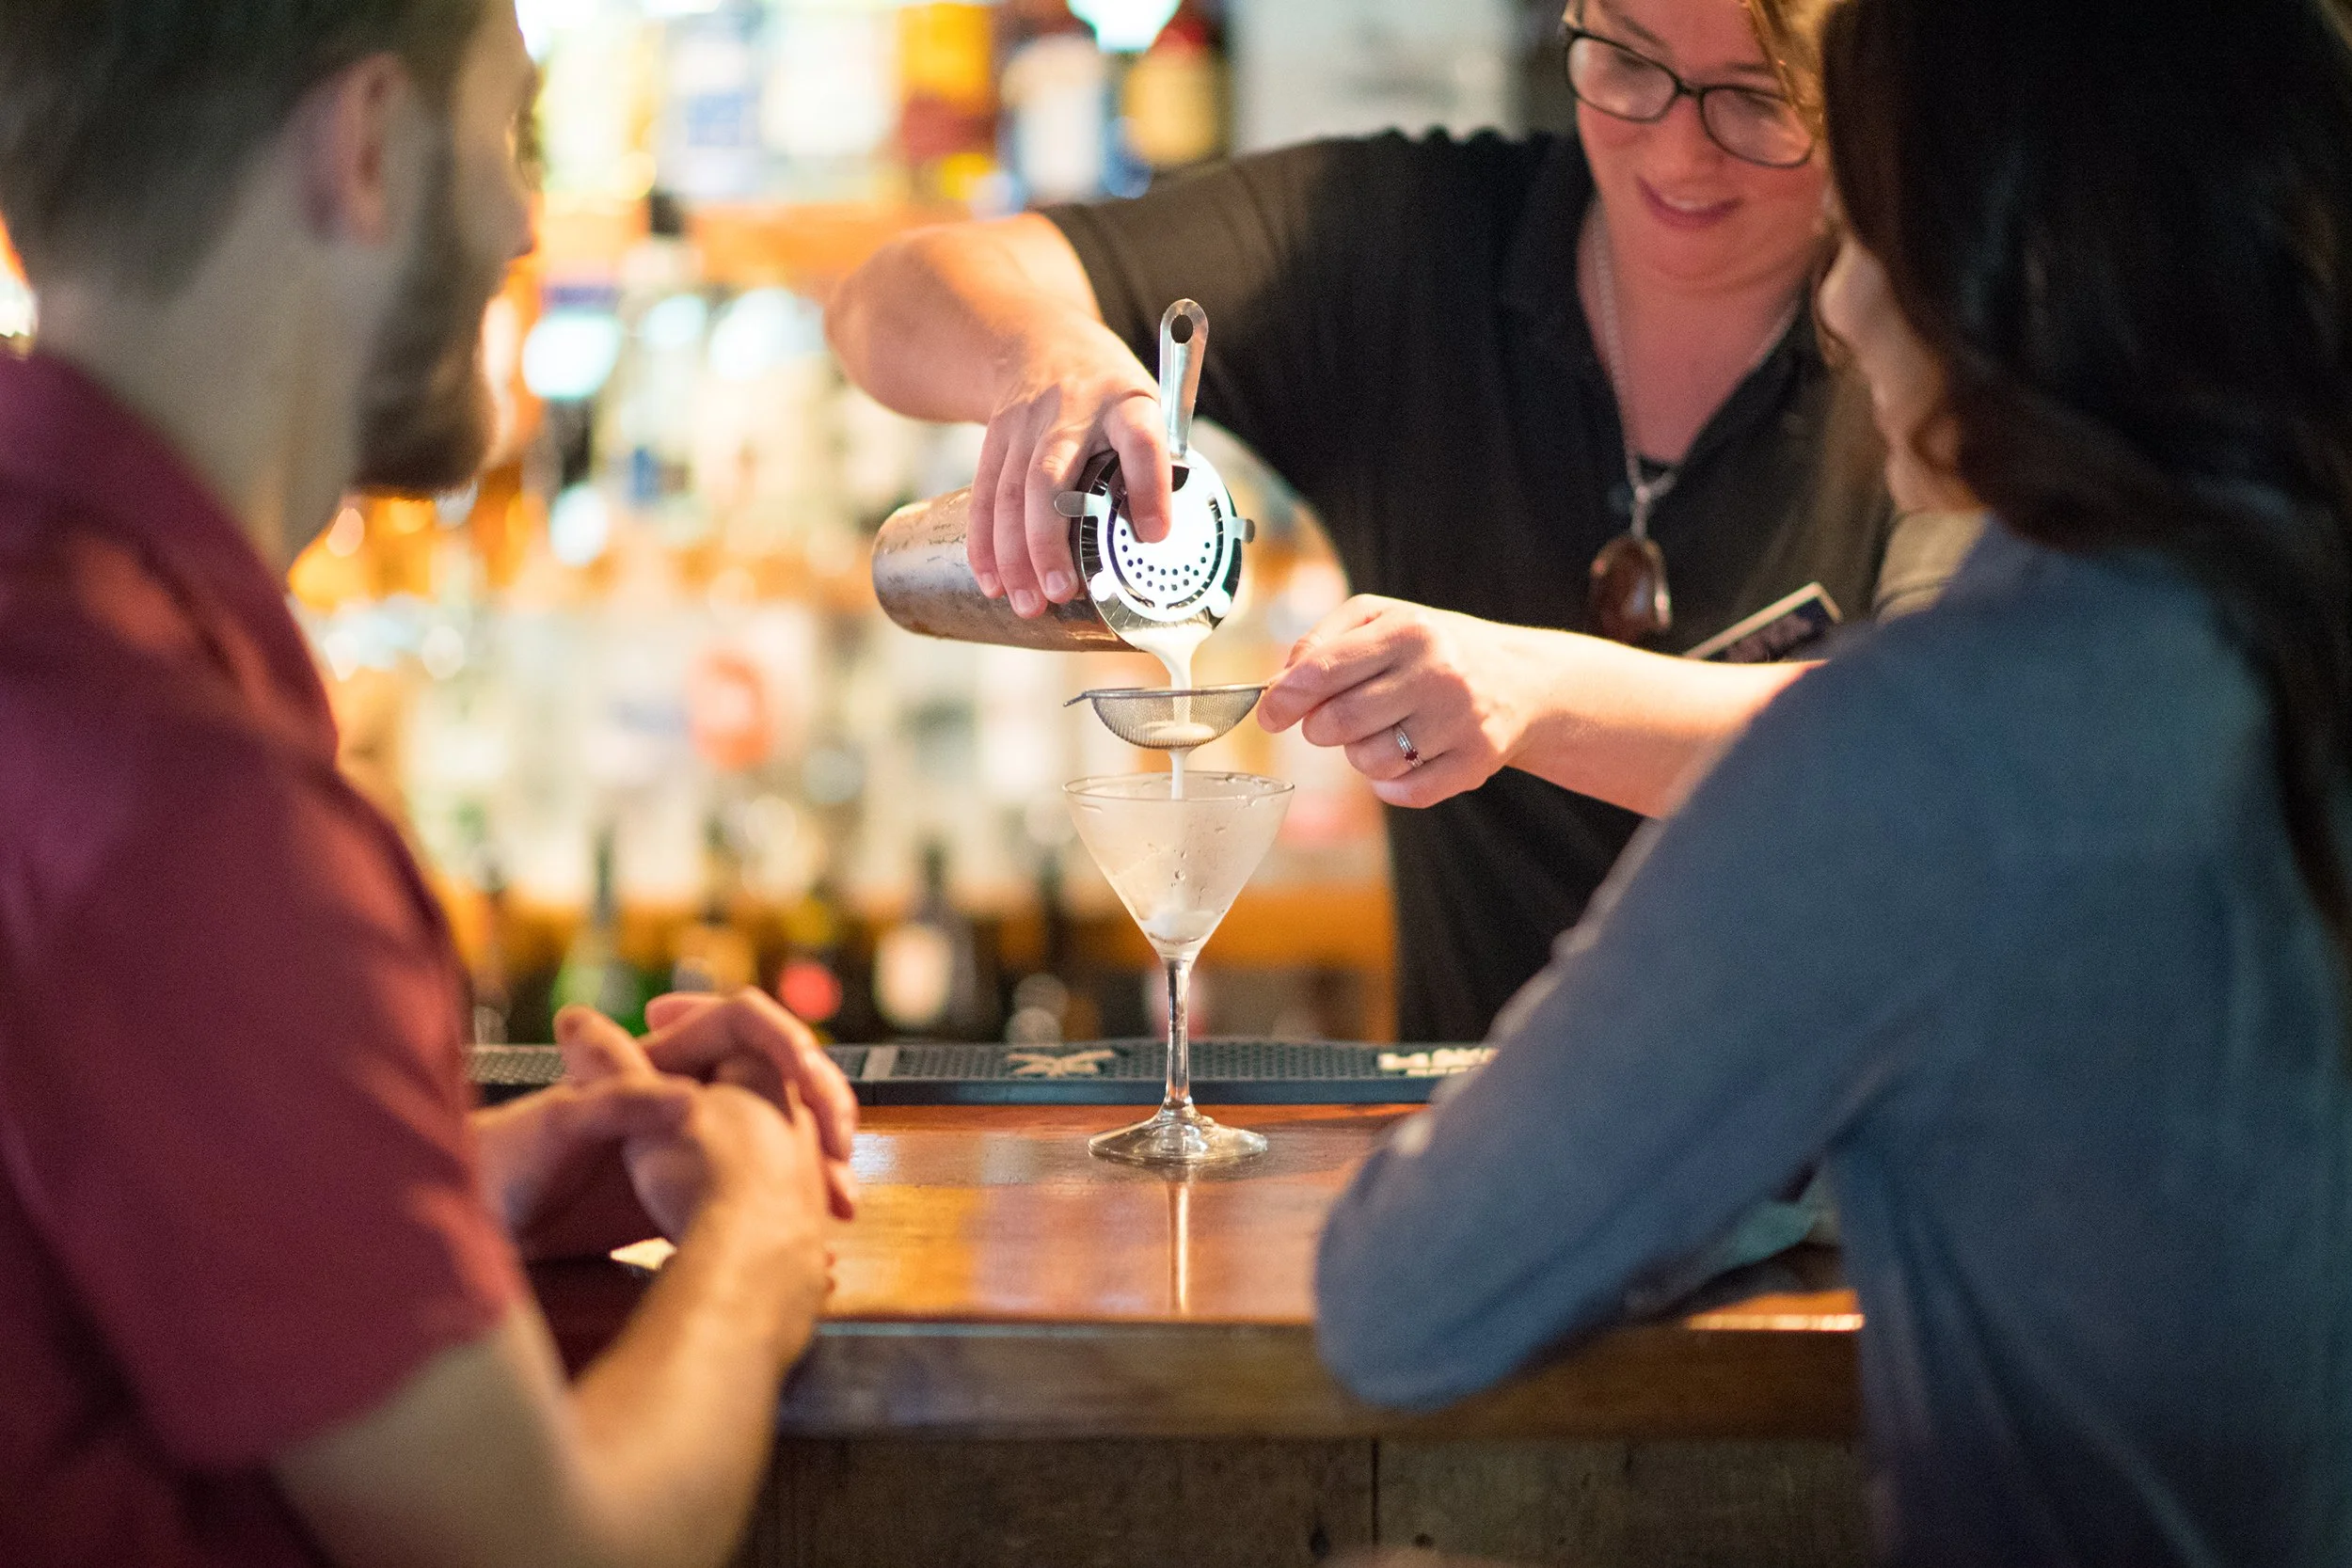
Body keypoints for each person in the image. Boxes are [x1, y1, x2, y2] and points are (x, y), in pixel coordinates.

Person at [1314, 0, 2352, 1560]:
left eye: (1868, 233)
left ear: (2013, 273)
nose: (1843, 311)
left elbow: (1407, 1295)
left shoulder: (1928, 746)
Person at [0, 5, 859, 1566]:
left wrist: (442, 1189)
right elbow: (556, 1552)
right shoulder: (200, 808)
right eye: (508, 137)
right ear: (373, 147)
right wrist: (756, 1242)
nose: (526, 222)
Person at [830, 0, 1977, 1043]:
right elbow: (886, 295)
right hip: (1493, 1152)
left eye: (1758, 98)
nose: (1677, 147)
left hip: (1867, 1153)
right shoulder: (1404, 243)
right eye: (1625, 62)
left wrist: (1534, 694)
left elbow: (1944, 748)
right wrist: (1053, 354)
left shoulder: (1937, 331)